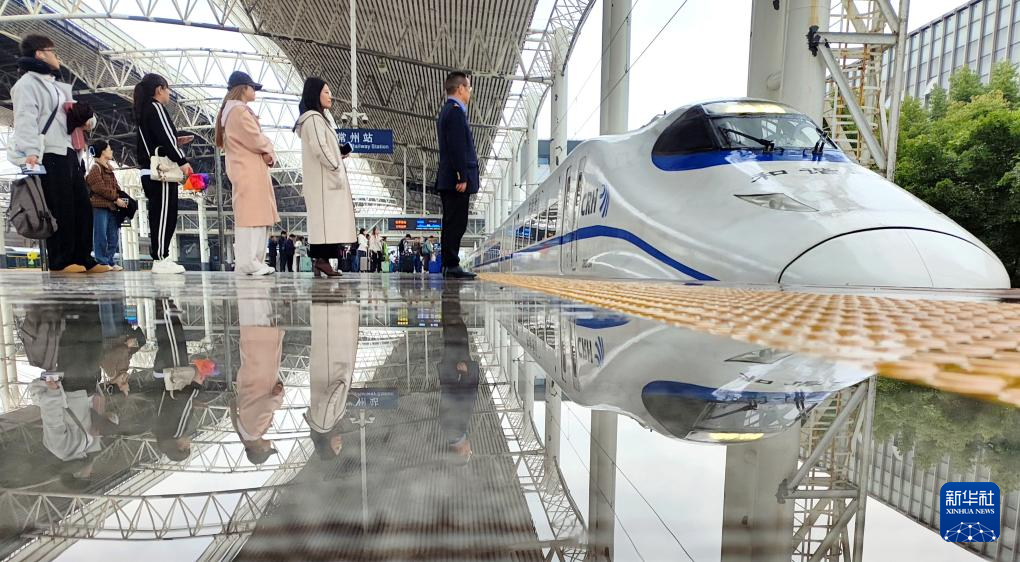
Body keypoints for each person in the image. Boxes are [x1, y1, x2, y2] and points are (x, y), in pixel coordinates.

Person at [10, 35, 108, 274]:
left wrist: (87, 120)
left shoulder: (56, 85)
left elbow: (73, 114)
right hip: (47, 153)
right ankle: (61, 259)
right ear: (40, 54)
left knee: (81, 206)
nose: (58, 57)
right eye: (53, 51)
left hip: (68, 151)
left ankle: (83, 257)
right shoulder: (26, 84)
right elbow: (25, 120)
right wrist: (31, 152)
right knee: (60, 206)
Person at [216, 71, 278, 276]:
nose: (255, 91)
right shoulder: (239, 112)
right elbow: (256, 138)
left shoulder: (232, 111)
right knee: (252, 217)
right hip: (249, 170)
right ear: (243, 88)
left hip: (247, 169)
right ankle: (250, 262)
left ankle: (253, 262)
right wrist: (270, 150)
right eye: (252, 87)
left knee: (254, 216)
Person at [294, 77, 356, 278]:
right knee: (327, 221)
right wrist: (335, 164)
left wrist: (338, 153)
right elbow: (319, 147)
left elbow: (323, 146)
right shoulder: (313, 118)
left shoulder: (317, 119)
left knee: (326, 221)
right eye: (326, 92)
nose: (330, 96)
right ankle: (322, 260)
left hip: (324, 180)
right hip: (324, 180)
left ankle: (321, 261)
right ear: (316, 94)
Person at [134, 73, 193, 275]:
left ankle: (161, 256)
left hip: (149, 170)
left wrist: (175, 141)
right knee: (164, 214)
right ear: (159, 89)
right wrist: (182, 161)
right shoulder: (156, 107)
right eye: (167, 89)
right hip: (161, 172)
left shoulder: (144, 109)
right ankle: (160, 257)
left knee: (159, 213)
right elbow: (166, 137)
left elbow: (159, 137)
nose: (169, 94)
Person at [231, 293, 284, 466]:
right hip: (252, 370)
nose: (270, 446)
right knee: (252, 315)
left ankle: (254, 283)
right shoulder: (242, 429)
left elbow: (268, 405)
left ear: (260, 450)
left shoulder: (255, 431)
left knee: (259, 313)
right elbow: (233, 402)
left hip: (261, 370)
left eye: (269, 449)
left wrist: (279, 396)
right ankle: (251, 285)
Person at [436, 71, 479, 279]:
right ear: (461, 88)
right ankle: (452, 265)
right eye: (468, 88)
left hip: (449, 178)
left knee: (452, 222)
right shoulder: (455, 112)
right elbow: (457, 147)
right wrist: (462, 176)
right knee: (456, 223)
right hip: (455, 180)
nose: (469, 92)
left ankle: (449, 264)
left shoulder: (448, 111)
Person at [306, 300, 358, 460]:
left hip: (332, 364)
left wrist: (341, 386)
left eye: (337, 447)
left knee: (334, 325)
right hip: (331, 364)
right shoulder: (325, 424)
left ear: (327, 444)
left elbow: (327, 401)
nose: (340, 444)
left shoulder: (324, 424)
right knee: (333, 325)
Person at [86, 140, 128, 270]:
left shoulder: (109, 170)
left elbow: (114, 187)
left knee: (113, 236)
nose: (112, 151)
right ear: (103, 151)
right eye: (109, 149)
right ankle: (102, 261)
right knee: (101, 235)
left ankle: (109, 261)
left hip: (112, 207)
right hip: (100, 206)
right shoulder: (95, 168)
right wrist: (116, 198)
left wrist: (121, 197)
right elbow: (99, 188)